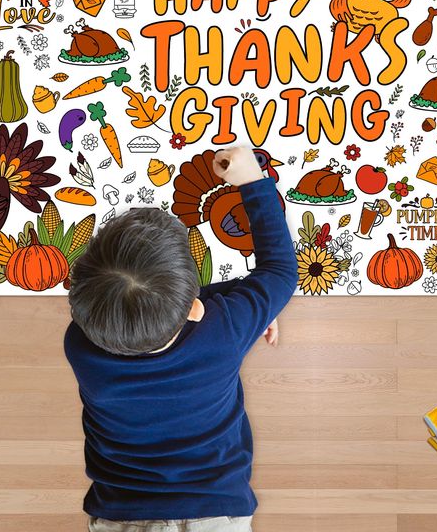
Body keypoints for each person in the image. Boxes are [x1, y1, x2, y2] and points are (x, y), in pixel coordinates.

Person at [64, 146, 298, 532]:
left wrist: (239, 307)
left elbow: (141, 305)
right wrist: (253, 182)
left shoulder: (80, 345)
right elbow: (281, 270)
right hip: (217, 506)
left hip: (121, 510)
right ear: (193, 309)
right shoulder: (225, 330)